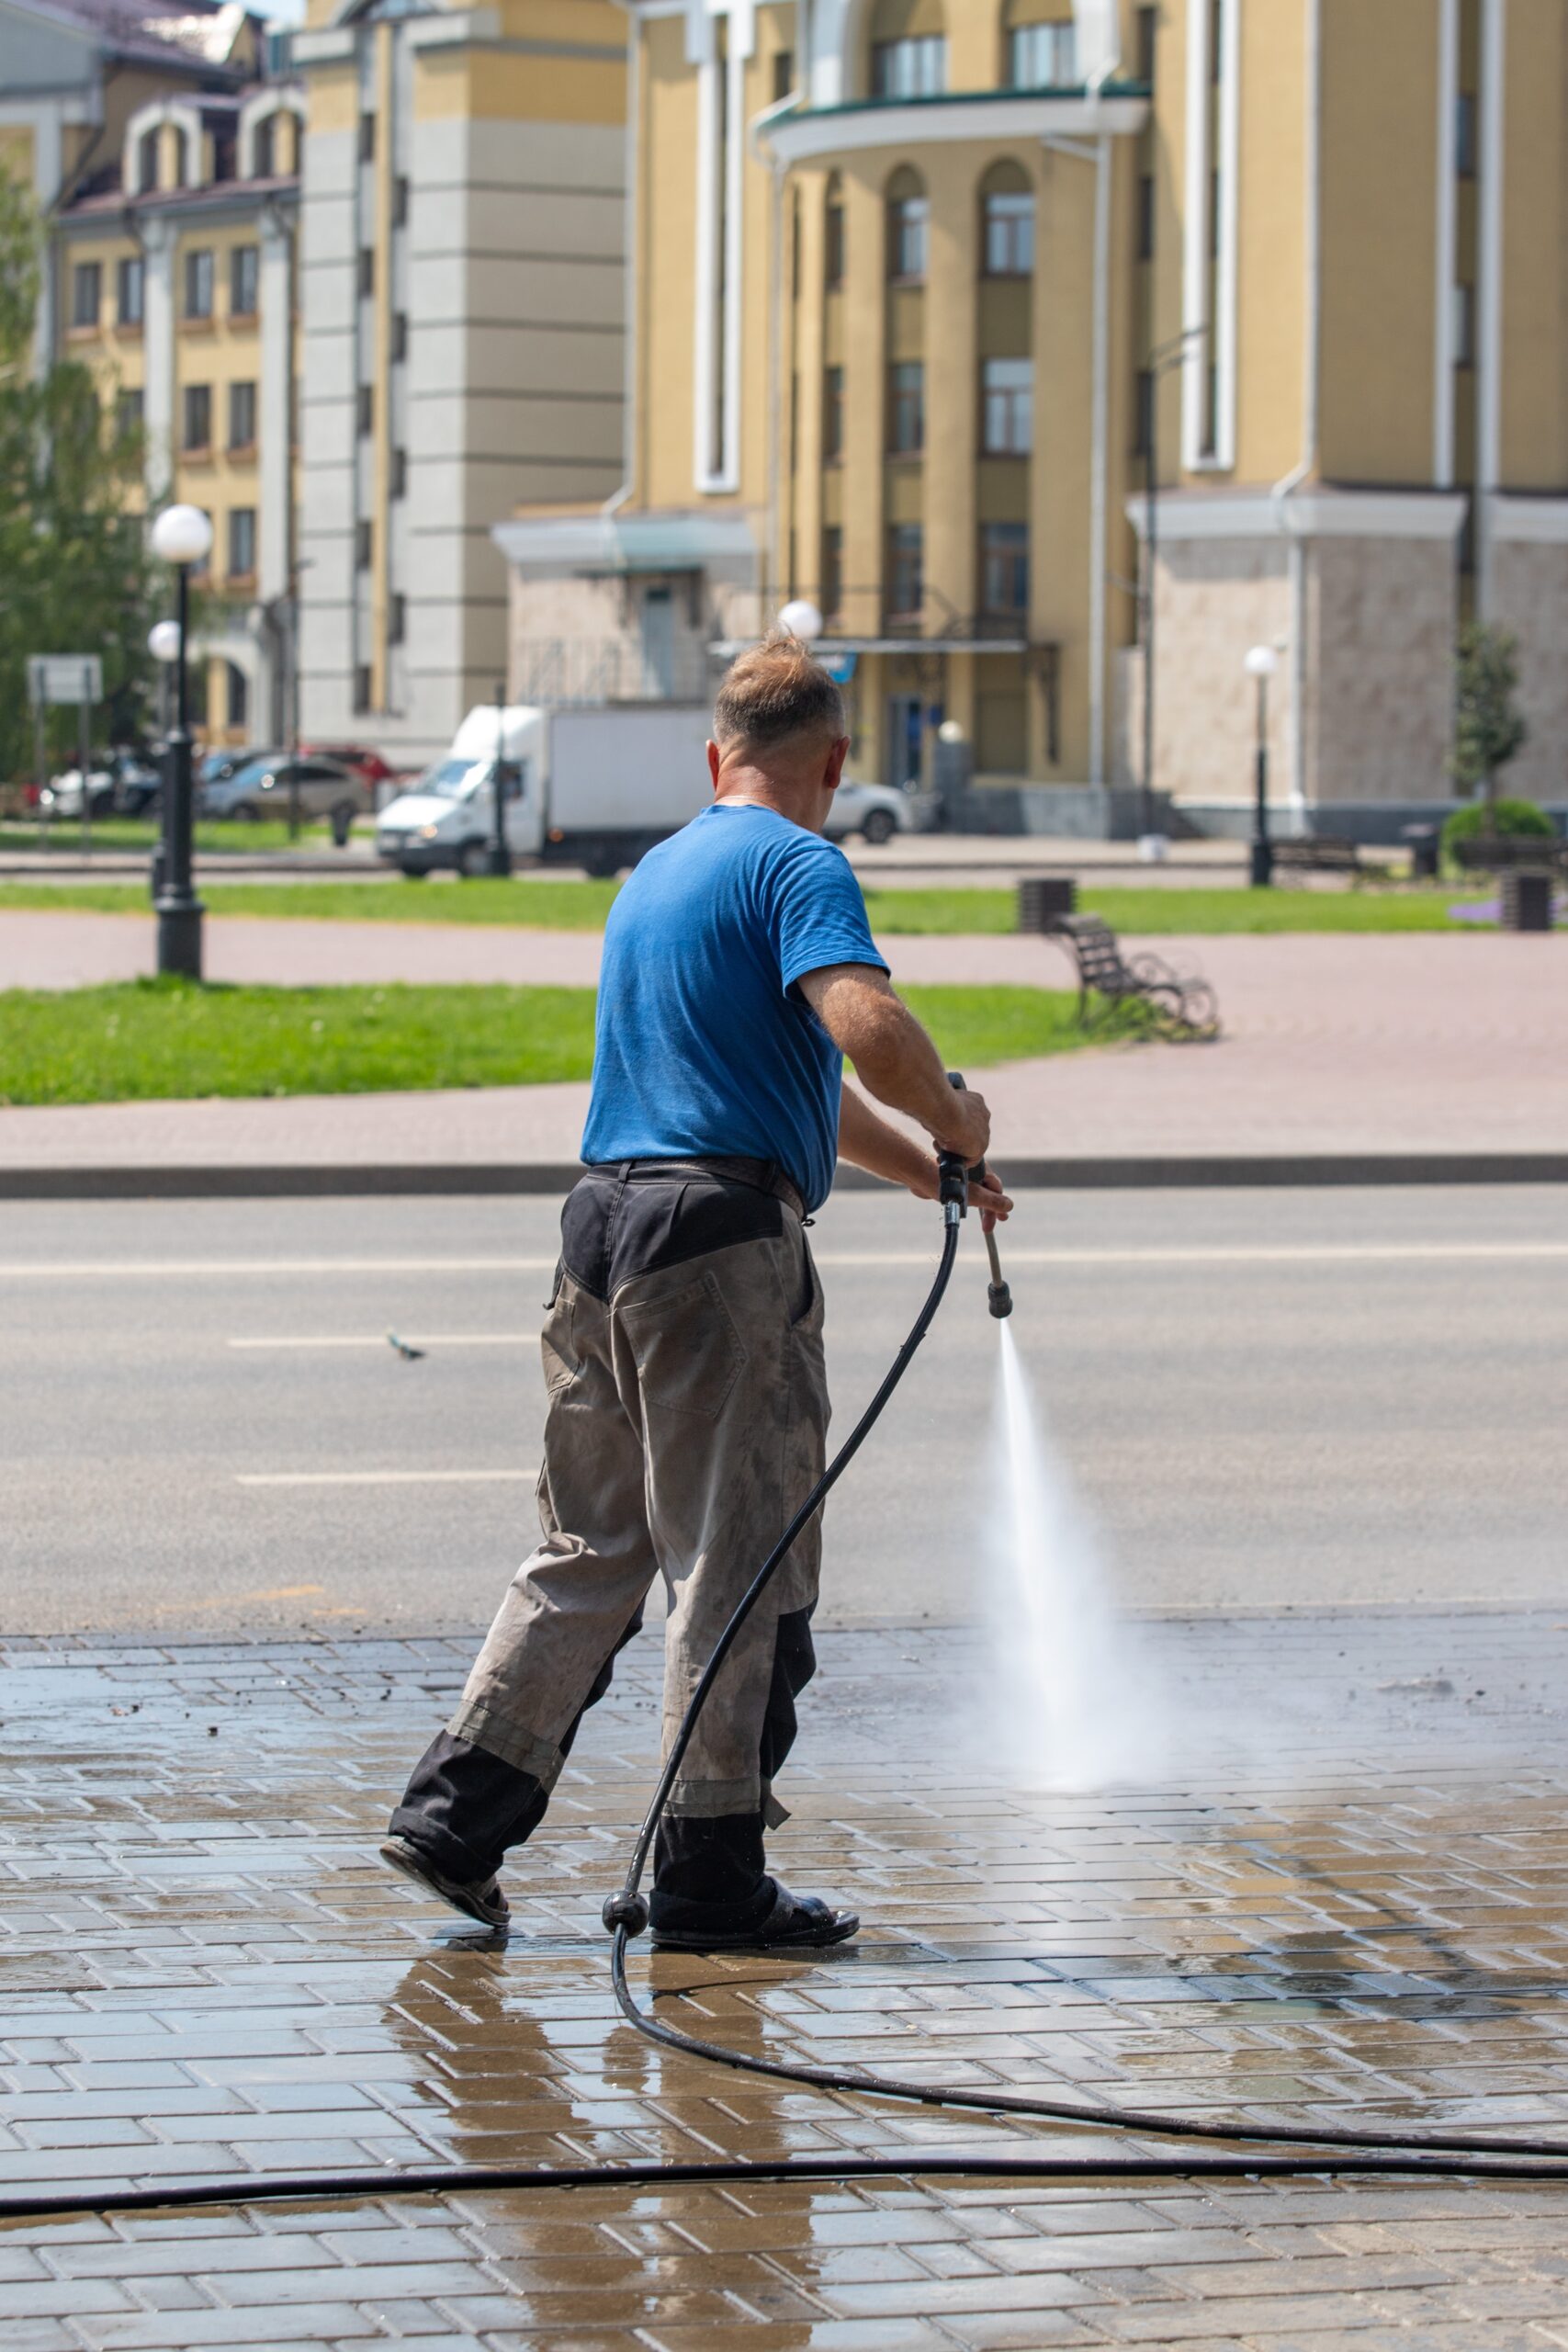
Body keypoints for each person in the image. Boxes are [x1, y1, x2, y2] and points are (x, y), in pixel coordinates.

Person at [382, 635, 1011, 1951]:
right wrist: (957, 1115)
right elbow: (863, 1023)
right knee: (739, 1565)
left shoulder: (659, 874)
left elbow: (795, 1082)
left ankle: (453, 1820)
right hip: (720, 1249)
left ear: (713, 756)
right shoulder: (798, 863)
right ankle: (710, 1880)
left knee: (591, 1550)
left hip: (602, 1232)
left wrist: (925, 1172)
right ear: (834, 761)